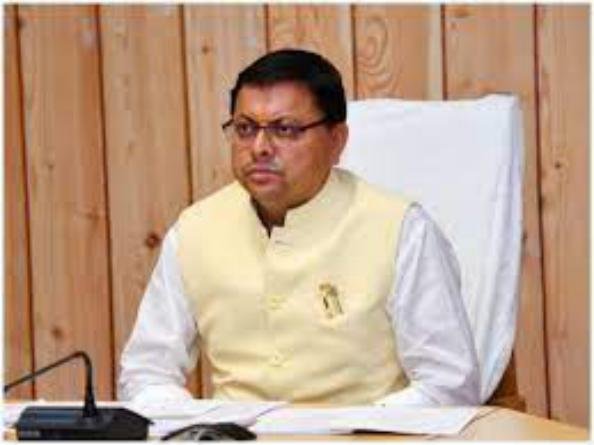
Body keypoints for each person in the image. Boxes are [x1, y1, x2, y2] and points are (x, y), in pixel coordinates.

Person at [118, 48, 480, 407]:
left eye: (285, 129)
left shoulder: (401, 229)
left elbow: (448, 383)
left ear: (337, 141)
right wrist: (193, 424)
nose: (259, 148)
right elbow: (146, 373)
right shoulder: (194, 231)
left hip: (364, 432)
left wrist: (363, 429)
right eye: (245, 129)